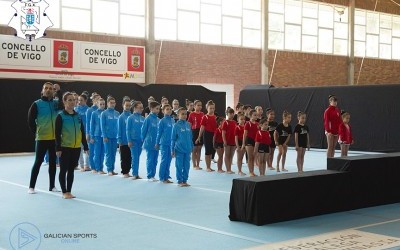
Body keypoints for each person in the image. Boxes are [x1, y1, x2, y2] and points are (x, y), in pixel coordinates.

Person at [28, 82, 63, 194]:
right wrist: (37, 132)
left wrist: (59, 91)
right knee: (38, 162)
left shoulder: (56, 103)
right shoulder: (36, 104)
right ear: (42, 91)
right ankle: (31, 187)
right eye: (46, 88)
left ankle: (52, 186)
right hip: (42, 138)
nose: (48, 90)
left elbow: (63, 105)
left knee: (53, 163)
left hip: (54, 139)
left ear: (53, 91)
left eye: (50, 89)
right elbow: (30, 120)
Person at [55, 92, 89, 199]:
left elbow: (82, 131)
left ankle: (69, 191)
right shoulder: (60, 116)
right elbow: (57, 133)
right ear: (64, 102)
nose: (72, 102)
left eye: (73, 100)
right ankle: (64, 192)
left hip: (76, 147)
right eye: (69, 100)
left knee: (71, 170)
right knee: (63, 170)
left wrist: (85, 145)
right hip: (65, 147)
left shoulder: (77, 116)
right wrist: (58, 147)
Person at [171, 108, 193, 187]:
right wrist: (172, 149)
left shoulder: (188, 124)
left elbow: (190, 137)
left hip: (187, 149)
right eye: (182, 114)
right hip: (179, 149)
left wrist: (191, 147)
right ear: (178, 115)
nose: (184, 116)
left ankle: (185, 180)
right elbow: (173, 139)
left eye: (185, 114)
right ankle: (179, 181)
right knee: (179, 166)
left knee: (187, 166)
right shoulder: (176, 125)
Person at [141, 101, 161, 181]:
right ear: (151, 109)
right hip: (149, 143)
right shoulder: (148, 119)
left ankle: (153, 174)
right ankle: (150, 175)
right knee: (150, 159)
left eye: (159, 109)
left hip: (156, 143)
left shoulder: (158, 120)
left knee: (155, 160)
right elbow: (143, 131)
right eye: (156, 109)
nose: (158, 110)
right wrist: (144, 140)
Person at [101, 96, 120, 176]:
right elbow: (102, 125)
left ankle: (112, 169)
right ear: (107, 103)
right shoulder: (104, 113)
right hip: (107, 137)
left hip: (115, 137)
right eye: (111, 103)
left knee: (114, 153)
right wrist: (104, 136)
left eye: (114, 103)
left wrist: (118, 136)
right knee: (108, 153)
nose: (112, 104)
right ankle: (109, 169)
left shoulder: (117, 113)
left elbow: (118, 126)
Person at [156, 104, 175, 183]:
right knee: (164, 160)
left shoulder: (173, 120)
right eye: (167, 109)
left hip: (171, 144)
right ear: (163, 111)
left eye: (170, 109)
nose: (169, 110)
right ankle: (162, 177)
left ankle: (166, 176)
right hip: (164, 143)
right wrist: (157, 143)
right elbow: (159, 133)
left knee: (169, 160)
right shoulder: (162, 121)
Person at [196, 100, 217, 172]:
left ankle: (209, 166)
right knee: (207, 150)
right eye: (210, 108)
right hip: (207, 134)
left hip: (214, 135)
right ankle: (207, 166)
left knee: (211, 150)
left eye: (213, 108)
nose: (212, 110)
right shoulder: (205, 117)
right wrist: (199, 136)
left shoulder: (215, 117)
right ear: (207, 108)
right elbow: (202, 127)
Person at [127, 101, 145, 180]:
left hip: (140, 141)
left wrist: (144, 140)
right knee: (135, 157)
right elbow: (128, 130)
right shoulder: (130, 118)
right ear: (134, 108)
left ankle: (136, 173)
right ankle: (135, 173)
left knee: (138, 157)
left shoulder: (142, 118)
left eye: (142, 108)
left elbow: (144, 130)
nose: (141, 109)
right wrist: (129, 140)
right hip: (133, 140)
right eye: (140, 108)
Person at [90, 98, 106, 174]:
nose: (102, 105)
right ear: (97, 104)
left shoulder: (106, 113)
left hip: (104, 136)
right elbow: (92, 125)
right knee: (97, 152)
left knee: (102, 153)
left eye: (103, 104)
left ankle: (101, 168)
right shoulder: (94, 113)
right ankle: (96, 168)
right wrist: (92, 136)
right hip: (97, 135)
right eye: (101, 104)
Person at [74, 93, 90, 172]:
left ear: (86, 101)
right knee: (79, 149)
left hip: (86, 132)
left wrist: (88, 132)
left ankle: (87, 165)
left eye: (81, 100)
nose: (79, 102)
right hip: (78, 132)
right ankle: (81, 165)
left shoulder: (88, 110)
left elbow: (90, 122)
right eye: (78, 100)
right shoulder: (75, 109)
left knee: (87, 149)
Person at [86, 93, 100, 172]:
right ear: (93, 100)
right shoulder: (90, 110)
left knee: (98, 151)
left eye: (99, 99)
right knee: (91, 150)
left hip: (98, 134)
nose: (98, 100)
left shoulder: (101, 110)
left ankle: (98, 166)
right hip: (92, 133)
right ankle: (93, 167)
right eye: (97, 99)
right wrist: (88, 134)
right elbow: (88, 123)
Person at [118, 98, 132, 177]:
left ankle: (128, 171)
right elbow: (119, 129)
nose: (128, 107)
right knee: (124, 157)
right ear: (123, 105)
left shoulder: (131, 116)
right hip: (123, 140)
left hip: (130, 140)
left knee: (130, 157)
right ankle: (124, 172)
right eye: (126, 105)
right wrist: (120, 141)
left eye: (129, 105)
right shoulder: (121, 117)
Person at [242, 109, 259, 177]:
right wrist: (243, 143)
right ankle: (250, 172)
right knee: (250, 157)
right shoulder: (247, 123)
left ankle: (252, 171)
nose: (256, 116)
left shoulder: (257, 124)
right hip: (248, 140)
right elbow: (245, 134)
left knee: (253, 157)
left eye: (256, 115)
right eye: (254, 115)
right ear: (250, 116)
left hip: (255, 141)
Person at [188, 100, 204, 170]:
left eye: (201, 105)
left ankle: (198, 164)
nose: (200, 107)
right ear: (194, 106)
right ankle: (194, 165)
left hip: (201, 131)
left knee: (199, 149)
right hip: (194, 131)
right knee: (194, 149)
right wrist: (189, 133)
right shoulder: (191, 114)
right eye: (198, 105)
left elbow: (203, 125)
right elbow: (189, 124)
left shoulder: (202, 114)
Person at [222, 107, 236, 174]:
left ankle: (229, 168)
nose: (232, 114)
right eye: (230, 113)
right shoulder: (225, 122)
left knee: (231, 155)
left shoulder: (234, 122)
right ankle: (228, 169)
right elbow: (223, 133)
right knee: (227, 155)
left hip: (233, 141)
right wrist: (224, 141)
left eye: (233, 113)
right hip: (227, 141)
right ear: (227, 114)